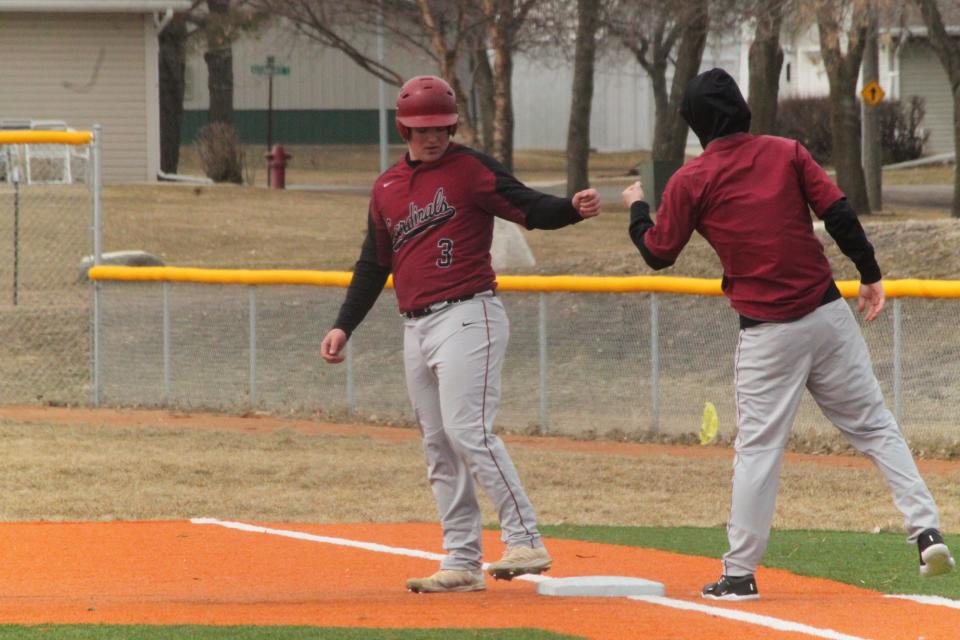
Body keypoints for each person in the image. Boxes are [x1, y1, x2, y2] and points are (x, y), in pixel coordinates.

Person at [623, 68, 954, 601]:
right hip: (827, 315)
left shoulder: (691, 179)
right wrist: (869, 274)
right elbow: (840, 213)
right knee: (875, 426)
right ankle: (926, 531)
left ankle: (739, 574)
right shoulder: (786, 151)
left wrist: (639, 207)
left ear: (697, 124)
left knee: (758, 450)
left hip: (768, 333)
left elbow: (658, 253)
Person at [320, 75, 601, 593]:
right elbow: (372, 263)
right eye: (424, 128)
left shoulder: (469, 169)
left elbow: (528, 206)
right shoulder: (385, 187)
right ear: (404, 127)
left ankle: (524, 538)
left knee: (467, 429)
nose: (434, 137)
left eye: (443, 127)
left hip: (470, 315)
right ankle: (463, 562)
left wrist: (570, 209)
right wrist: (343, 325)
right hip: (415, 325)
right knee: (438, 445)